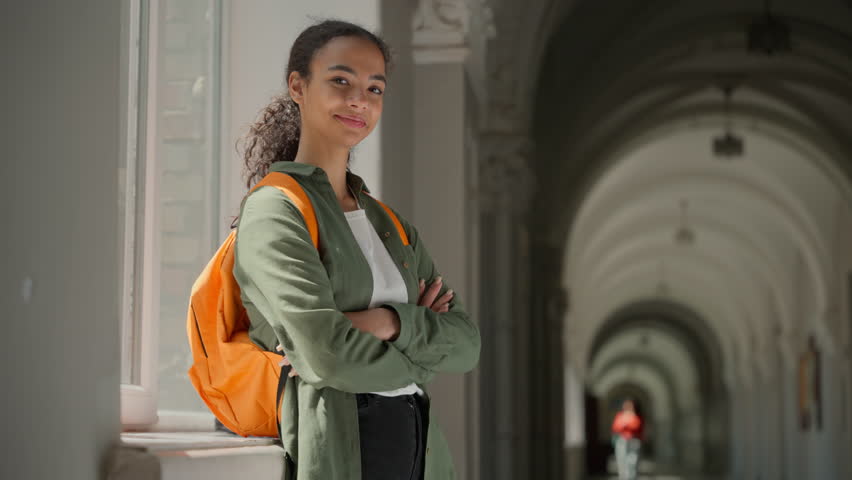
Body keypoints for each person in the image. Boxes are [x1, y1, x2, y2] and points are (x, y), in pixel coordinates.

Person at [231, 19, 481, 480]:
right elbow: (325, 353)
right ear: (298, 86)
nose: (358, 101)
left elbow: (466, 345)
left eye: (374, 89)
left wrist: (388, 321)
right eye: (340, 81)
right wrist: (419, 353)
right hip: (346, 448)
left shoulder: (391, 225)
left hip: (420, 447)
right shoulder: (275, 211)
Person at [611, 399, 643, 480]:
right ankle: (623, 477)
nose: (628, 407)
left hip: (633, 440)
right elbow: (616, 427)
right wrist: (626, 423)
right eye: (626, 405)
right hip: (622, 440)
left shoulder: (636, 416)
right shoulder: (620, 415)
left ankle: (632, 477)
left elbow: (636, 426)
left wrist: (625, 423)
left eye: (630, 405)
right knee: (621, 458)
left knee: (633, 459)